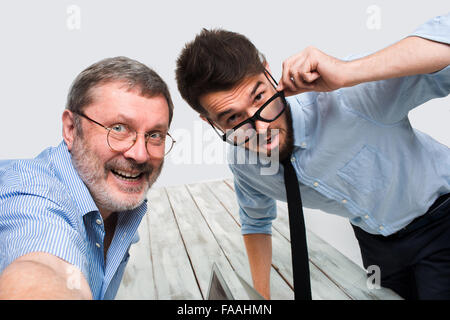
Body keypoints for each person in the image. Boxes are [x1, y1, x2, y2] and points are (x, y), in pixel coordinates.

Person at [175, 13, 450, 300]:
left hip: (440, 219)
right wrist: (262, 299)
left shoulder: (350, 98)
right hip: (376, 242)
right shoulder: (245, 162)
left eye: (259, 98)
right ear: (209, 122)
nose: (261, 128)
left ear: (269, 74)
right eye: (233, 117)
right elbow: (256, 222)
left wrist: (349, 72)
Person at [0, 56, 175, 299]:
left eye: (155, 135)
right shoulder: (33, 191)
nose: (140, 154)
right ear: (71, 129)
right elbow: (42, 266)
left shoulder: (115, 205)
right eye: (118, 128)